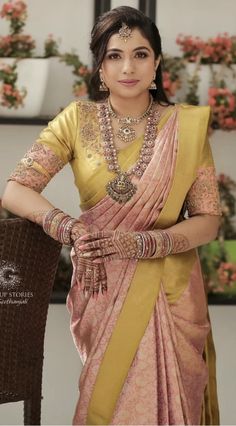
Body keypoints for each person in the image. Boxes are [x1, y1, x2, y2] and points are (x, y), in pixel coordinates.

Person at [1, 6, 221, 426]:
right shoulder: (75, 119)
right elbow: (16, 189)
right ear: (99, 67)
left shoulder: (185, 127)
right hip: (103, 284)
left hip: (169, 290)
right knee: (109, 402)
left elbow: (208, 220)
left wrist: (142, 242)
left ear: (157, 62)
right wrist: (69, 228)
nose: (127, 67)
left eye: (140, 54)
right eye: (114, 55)